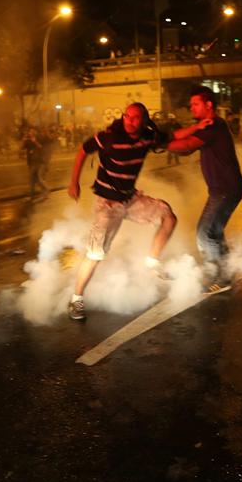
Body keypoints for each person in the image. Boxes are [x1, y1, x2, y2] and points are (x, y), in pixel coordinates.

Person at [67, 103, 178, 321]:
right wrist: (74, 183)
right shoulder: (110, 137)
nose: (130, 121)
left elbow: (173, 137)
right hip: (107, 204)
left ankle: (152, 263)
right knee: (95, 253)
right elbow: (83, 150)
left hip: (130, 198)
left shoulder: (147, 136)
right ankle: (75, 299)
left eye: (136, 118)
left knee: (168, 216)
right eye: (127, 116)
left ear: (144, 120)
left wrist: (200, 128)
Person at [166, 86, 242, 291]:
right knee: (215, 232)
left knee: (205, 233)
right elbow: (187, 148)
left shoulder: (214, 126)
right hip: (225, 188)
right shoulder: (207, 126)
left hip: (225, 189)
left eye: (195, 104)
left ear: (208, 105)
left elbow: (185, 146)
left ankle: (218, 277)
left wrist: (156, 144)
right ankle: (226, 273)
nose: (191, 108)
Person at [22, 128, 49, 200]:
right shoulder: (29, 140)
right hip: (32, 163)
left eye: (32, 131)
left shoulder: (39, 138)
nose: (31, 133)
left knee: (40, 179)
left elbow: (41, 148)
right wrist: (24, 140)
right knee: (31, 180)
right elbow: (23, 147)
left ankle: (46, 192)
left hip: (40, 163)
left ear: (35, 132)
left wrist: (35, 141)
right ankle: (31, 196)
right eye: (30, 131)